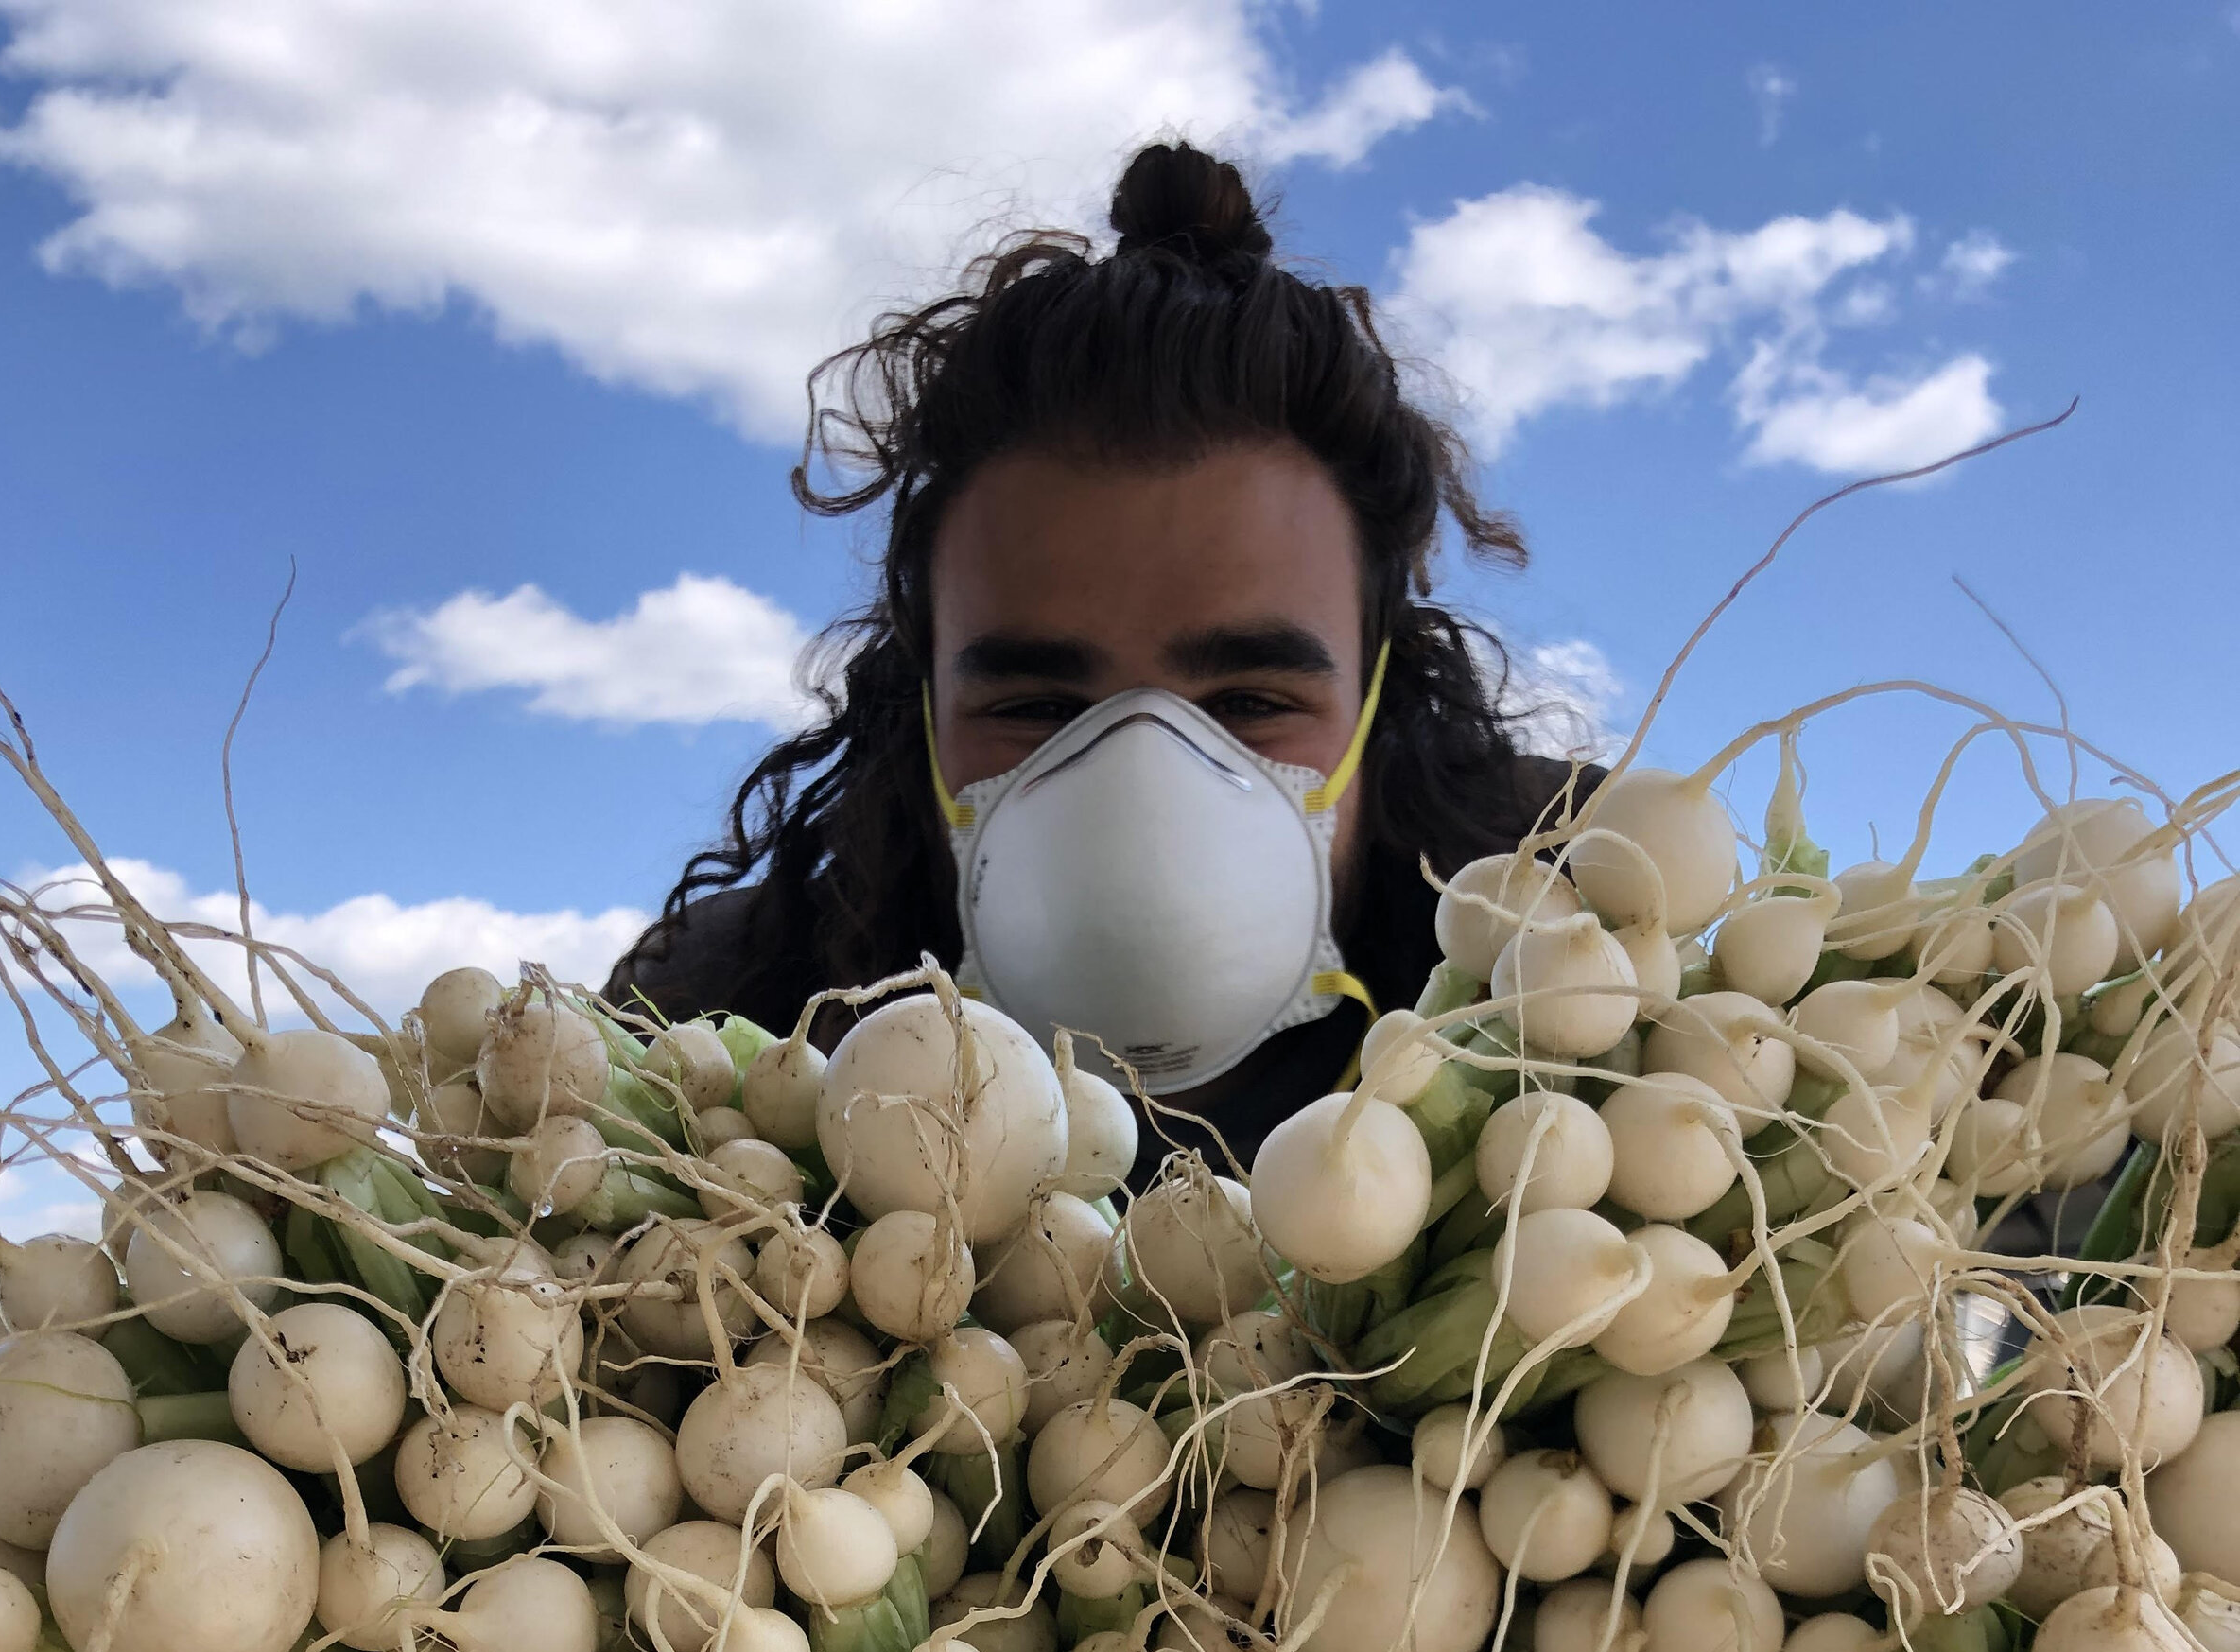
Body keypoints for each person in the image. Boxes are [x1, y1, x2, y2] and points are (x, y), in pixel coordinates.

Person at [608, 140, 1590, 1174]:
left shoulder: (1605, 1009)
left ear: (1379, 710)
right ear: (923, 718)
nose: (1142, 800)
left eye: (1251, 700)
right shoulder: (699, 1069)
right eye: (1034, 705)